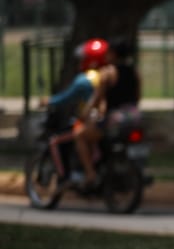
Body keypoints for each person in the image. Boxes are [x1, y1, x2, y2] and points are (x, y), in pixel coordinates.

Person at [40, 38, 118, 190]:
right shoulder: (111, 75)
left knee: (65, 139)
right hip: (108, 119)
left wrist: (49, 101)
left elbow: (66, 97)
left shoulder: (85, 80)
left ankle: (85, 174)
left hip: (91, 121)